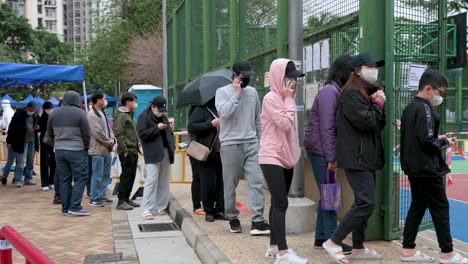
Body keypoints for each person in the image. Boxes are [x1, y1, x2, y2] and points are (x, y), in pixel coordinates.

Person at [322, 53, 386, 264]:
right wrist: (377, 105)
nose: (374, 69)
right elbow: (365, 122)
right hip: (356, 157)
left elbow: (378, 124)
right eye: (370, 66)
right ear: (357, 70)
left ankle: (358, 247)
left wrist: (379, 104)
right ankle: (334, 240)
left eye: (376, 66)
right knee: (366, 203)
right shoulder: (350, 92)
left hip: (367, 156)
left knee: (363, 201)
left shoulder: (365, 91)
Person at [399, 69, 467, 263]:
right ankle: (447, 253)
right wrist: (445, 143)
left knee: (418, 206)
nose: (441, 96)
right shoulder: (425, 109)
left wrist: (438, 139)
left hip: (414, 167)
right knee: (440, 207)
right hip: (427, 168)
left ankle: (408, 250)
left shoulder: (410, 107)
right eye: (440, 92)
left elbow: (419, 137)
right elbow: (428, 141)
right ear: (429, 89)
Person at [259, 59, 307, 264]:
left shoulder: (287, 98)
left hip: (285, 156)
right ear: (280, 77)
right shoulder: (271, 98)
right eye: (290, 78)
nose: (294, 83)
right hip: (271, 155)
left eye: (296, 79)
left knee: (278, 202)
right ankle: (283, 253)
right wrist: (289, 100)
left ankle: (273, 247)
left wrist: (289, 99)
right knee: (281, 202)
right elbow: (286, 124)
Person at [304, 56, 353, 254]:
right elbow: (326, 128)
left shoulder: (335, 91)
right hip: (321, 151)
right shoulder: (329, 92)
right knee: (331, 194)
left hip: (323, 150)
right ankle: (334, 239)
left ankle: (322, 238)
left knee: (328, 193)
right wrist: (331, 158)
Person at [215, 59, 270, 235]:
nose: (247, 79)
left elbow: (257, 119)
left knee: (256, 181)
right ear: (235, 75)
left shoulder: (253, 92)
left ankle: (257, 221)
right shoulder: (222, 92)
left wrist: (260, 141)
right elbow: (224, 113)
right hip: (230, 143)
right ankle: (232, 217)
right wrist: (236, 94)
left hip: (251, 142)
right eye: (243, 76)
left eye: (249, 76)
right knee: (230, 183)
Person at [46, 91, 91, 216]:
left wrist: (56, 144)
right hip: (77, 150)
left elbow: (48, 133)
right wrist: (87, 147)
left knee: (64, 179)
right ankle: (75, 206)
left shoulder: (54, 113)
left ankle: (65, 208)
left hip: (59, 151)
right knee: (80, 178)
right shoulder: (81, 113)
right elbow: (86, 134)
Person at [137, 96, 175, 220]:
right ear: (152, 106)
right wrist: (157, 128)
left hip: (165, 151)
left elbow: (168, 133)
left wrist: (170, 128)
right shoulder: (144, 117)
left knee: (164, 180)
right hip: (152, 152)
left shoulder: (163, 116)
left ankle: (161, 206)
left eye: (163, 109)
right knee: (151, 180)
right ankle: (147, 209)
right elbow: (142, 134)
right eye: (159, 109)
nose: (161, 112)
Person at [188, 98, 225, 222]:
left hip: (224, 150)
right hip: (207, 151)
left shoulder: (225, 108)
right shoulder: (201, 109)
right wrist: (211, 124)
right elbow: (192, 127)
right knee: (207, 182)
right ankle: (208, 210)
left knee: (221, 181)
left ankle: (220, 209)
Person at [88, 92, 117, 207]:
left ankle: (102, 195)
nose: (105, 101)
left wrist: (113, 139)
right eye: (104, 99)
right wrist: (110, 142)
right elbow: (97, 132)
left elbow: (109, 129)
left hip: (106, 149)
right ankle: (95, 197)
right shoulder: (91, 115)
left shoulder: (102, 112)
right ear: (98, 100)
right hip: (97, 150)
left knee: (106, 174)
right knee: (97, 175)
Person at [114, 92, 140, 210]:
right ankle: (121, 200)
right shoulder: (121, 115)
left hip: (133, 149)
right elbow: (119, 133)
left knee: (132, 175)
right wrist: (124, 148)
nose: (135, 103)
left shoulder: (130, 114)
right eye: (134, 100)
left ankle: (127, 198)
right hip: (127, 150)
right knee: (126, 175)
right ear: (128, 102)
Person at [4, 101, 39, 187]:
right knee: (20, 161)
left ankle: (28, 178)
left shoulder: (35, 115)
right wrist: (25, 128)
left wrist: (37, 128)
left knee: (30, 161)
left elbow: (38, 125)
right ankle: (18, 179)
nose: (32, 111)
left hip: (32, 140)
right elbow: (12, 128)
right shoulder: (18, 115)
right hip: (21, 142)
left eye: (34, 110)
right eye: (31, 109)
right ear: (27, 107)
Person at [188, 106, 204, 216]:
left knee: (203, 177)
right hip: (196, 147)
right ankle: (197, 205)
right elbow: (192, 128)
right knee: (197, 177)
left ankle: (202, 203)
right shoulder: (196, 110)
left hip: (203, 147)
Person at [39, 101, 56, 191]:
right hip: (44, 141)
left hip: (53, 141)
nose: (50, 110)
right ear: (44, 110)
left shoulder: (55, 117)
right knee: (44, 161)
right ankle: (44, 183)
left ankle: (51, 181)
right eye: (48, 109)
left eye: (51, 108)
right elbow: (39, 129)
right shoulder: (41, 119)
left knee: (54, 161)